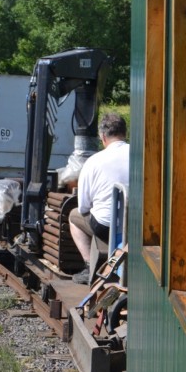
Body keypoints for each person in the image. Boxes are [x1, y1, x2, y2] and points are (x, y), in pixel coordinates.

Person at [69, 112, 130, 284]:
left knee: (74, 217)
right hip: (137, 225)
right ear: (125, 132)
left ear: (103, 137)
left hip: (105, 226)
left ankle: (90, 266)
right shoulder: (141, 155)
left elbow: (83, 207)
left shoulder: (93, 161)